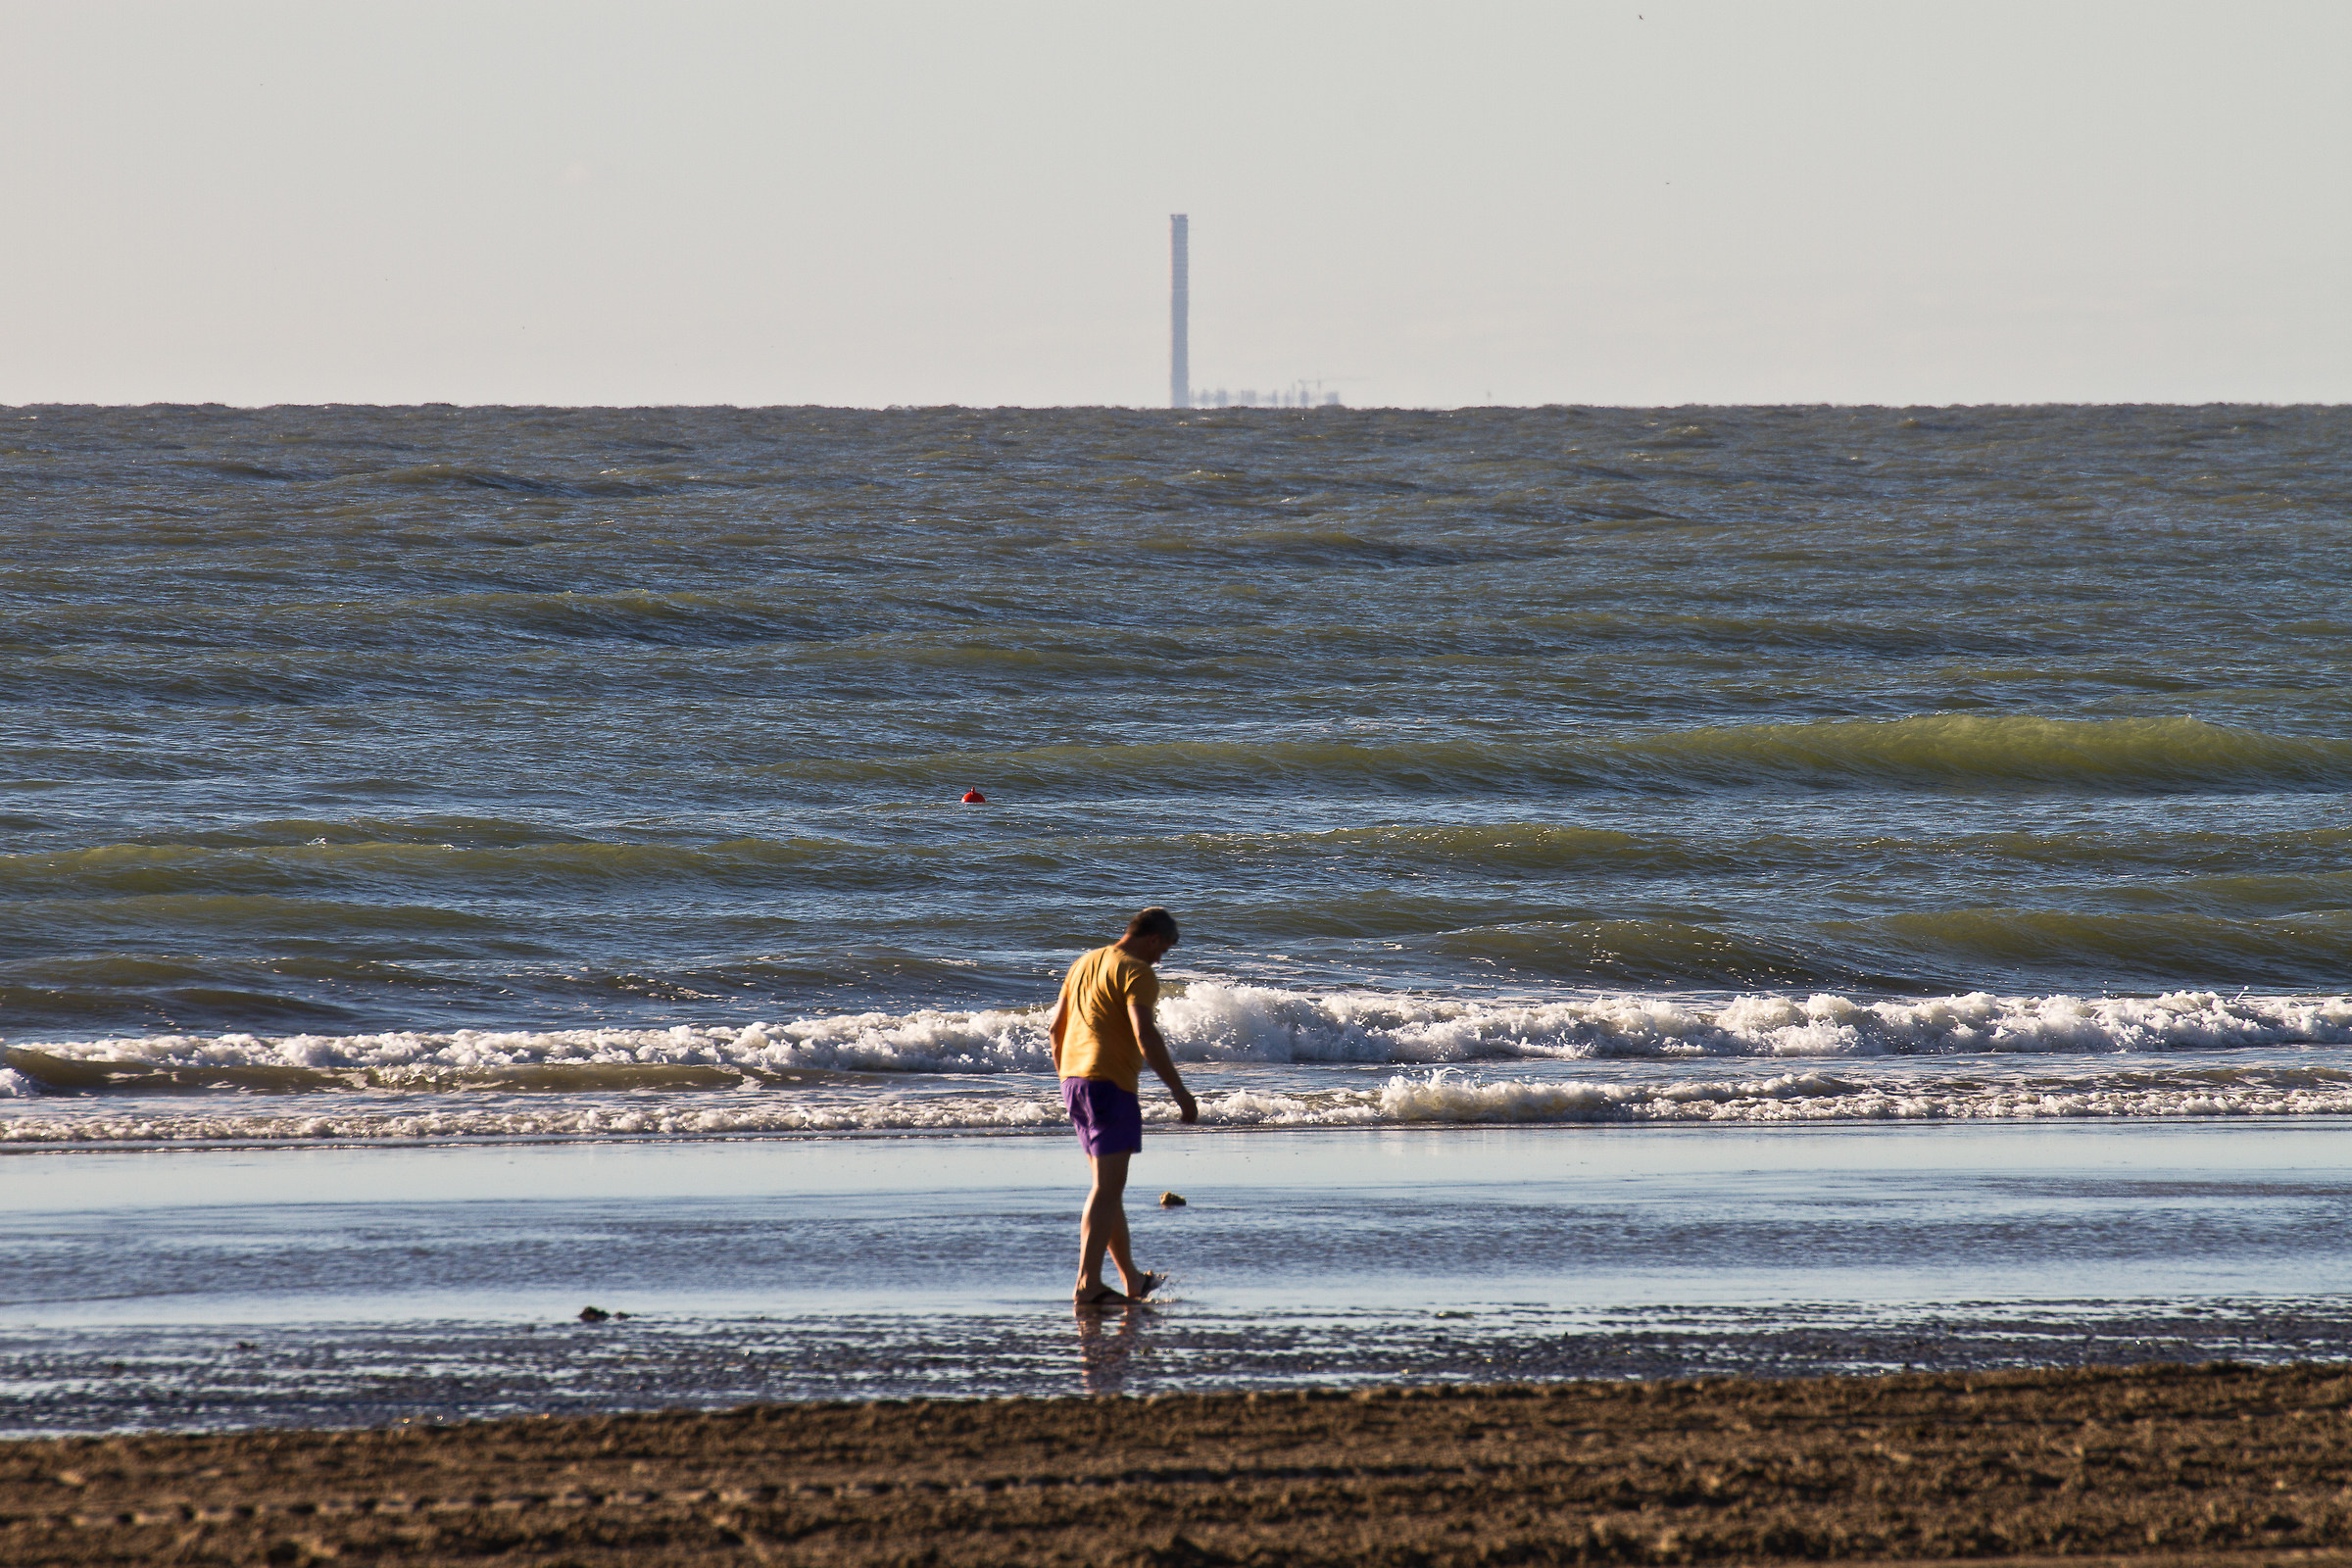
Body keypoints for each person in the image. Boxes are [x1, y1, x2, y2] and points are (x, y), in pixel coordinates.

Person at [1044, 906, 1199, 1307]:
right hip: (1109, 1084)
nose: (1161, 959)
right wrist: (1179, 1092)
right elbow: (1144, 1033)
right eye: (1163, 949)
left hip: (1075, 1081)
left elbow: (1055, 1028)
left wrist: (1066, 1078)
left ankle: (1131, 1279)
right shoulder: (1137, 971)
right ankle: (1087, 1285)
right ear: (1153, 939)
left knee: (1107, 1189)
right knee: (1106, 1189)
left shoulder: (1085, 962)